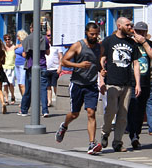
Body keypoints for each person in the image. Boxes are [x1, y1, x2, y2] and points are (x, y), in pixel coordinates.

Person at [55, 22, 104, 155]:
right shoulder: (78, 45)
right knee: (75, 114)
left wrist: (102, 71)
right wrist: (79, 65)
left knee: (91, 113)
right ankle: (64, 126)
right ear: (86, 33)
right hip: (77, 84)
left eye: (96, 34)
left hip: (91, 85)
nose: (94, 36)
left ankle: (92, 144)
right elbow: (64, 61)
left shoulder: (99, 47)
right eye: (92, 34)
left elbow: (98, 63)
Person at [99, 17, 141, 153]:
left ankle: (117, 142)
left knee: (123, 114)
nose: (131, 27)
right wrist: (101, 75)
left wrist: (138, 84)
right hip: (112, 82)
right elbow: (102, 58)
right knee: (111, 111)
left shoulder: (131, 43)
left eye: (131, 25)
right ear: (119, 26)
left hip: (127, 83)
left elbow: (136, 64)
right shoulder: (109, 41)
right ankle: (105, 132)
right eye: (128, 25)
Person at [125, 21, 152, 150]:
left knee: (140, 111)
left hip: (145, 81)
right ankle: (132, 134)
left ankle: (136, 135)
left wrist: (144, 43)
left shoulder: (148, 44)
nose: (140, 34)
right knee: (132, 108)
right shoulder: (130, 43)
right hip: (131, 82)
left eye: (142, 32)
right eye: (137, 31)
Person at [19, 25, 50, 117]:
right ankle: (45, 110)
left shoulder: (28, 39)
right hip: (43, 65)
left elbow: (24, 54)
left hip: (31, 66)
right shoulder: (45, 39)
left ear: (31, 29)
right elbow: (48, 52)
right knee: (43, 89)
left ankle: (24, 110)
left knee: (28, 89)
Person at [45, 36, 63, 108]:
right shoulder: (45, 45)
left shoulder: (57, 45)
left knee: (55, 85)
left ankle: (58, 100)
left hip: (55, 69)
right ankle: (49, 101)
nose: (49, 37)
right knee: (48, 86)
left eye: (50, 35)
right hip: (47, 69)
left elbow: (61, 57)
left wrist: (60, 67)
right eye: (48, 35)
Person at [2, 33, 16, 105]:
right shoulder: (3, 48)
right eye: (6, 39)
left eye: (8, 39)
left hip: (12, 67)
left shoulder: (14, 47)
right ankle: (6, 99)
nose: (7, 40)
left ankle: (13, 96)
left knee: (11, 83)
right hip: (4, 67)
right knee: (5, 84)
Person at [14, 30, 27, 98]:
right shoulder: (18, 45)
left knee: (22, 83)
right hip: (16, 64)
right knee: (19, 83)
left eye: (18, 36)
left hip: (22, 65)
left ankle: (25, 100)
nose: (17, 37)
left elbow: (25, 54)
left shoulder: (25, 44)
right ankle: (23, 98)